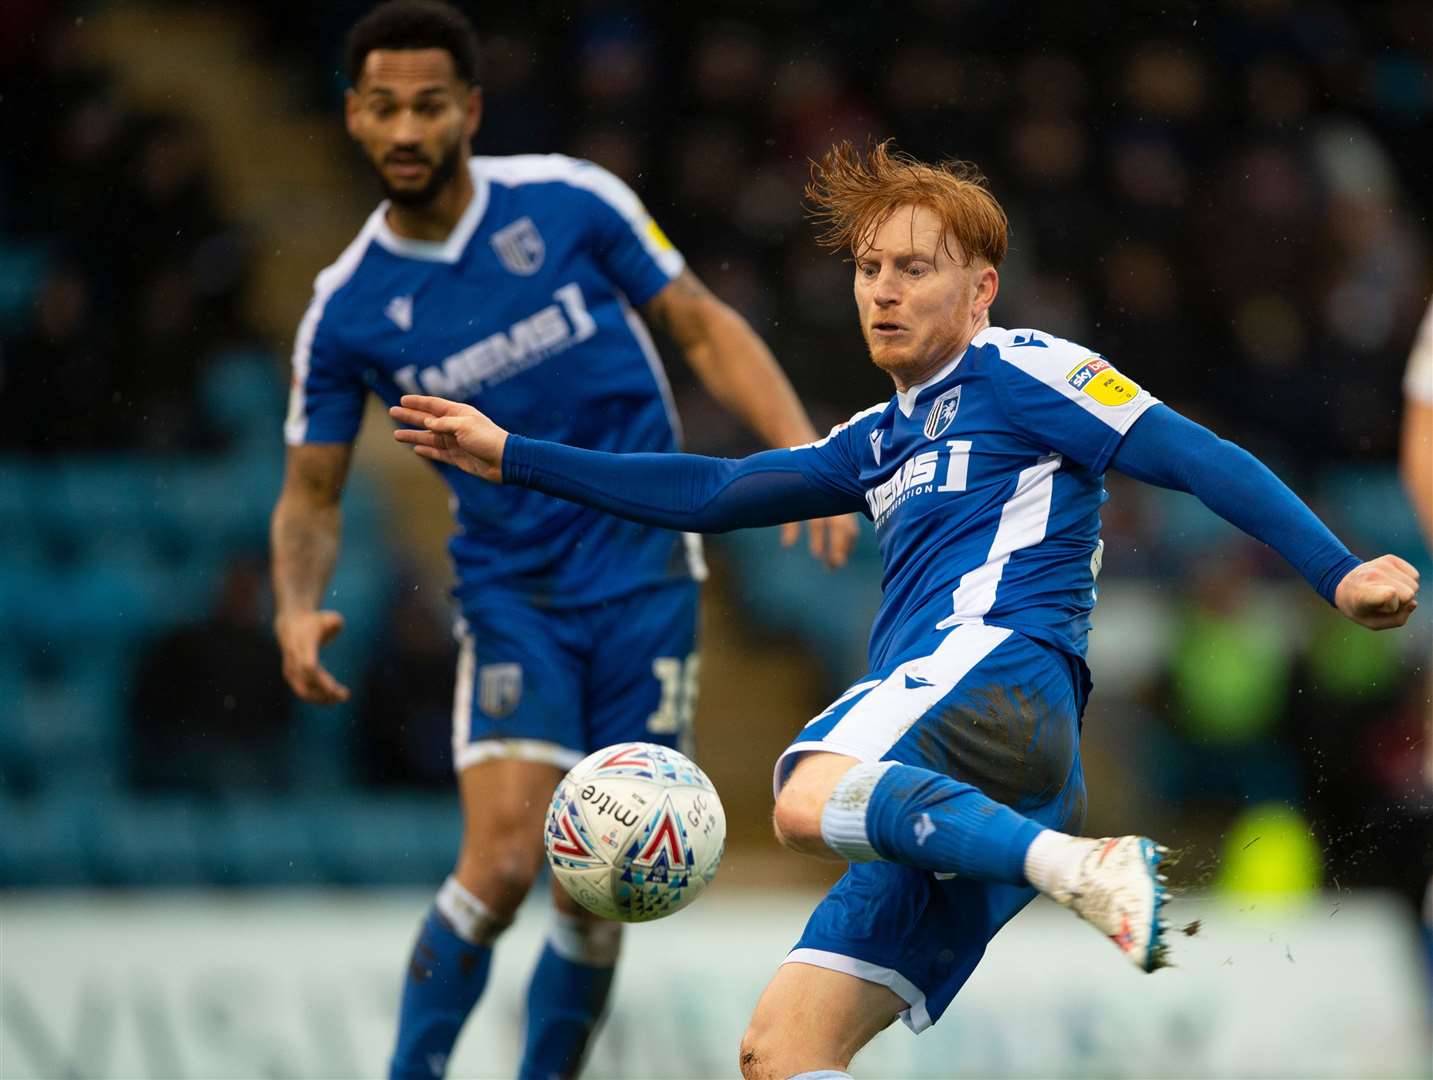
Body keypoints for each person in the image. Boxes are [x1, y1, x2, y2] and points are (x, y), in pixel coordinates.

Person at [391, 140, 1421, 1080]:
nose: (880, 292)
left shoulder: (1019, 368)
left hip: (1000, 676)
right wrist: (510, 455)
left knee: (802, 789)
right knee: (781, 1051)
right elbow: (709, 492)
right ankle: (1059, 860)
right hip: (966, 791)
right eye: (867, 270)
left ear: (979, 290)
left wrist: (1333, 572)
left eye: (911, 269)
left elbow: (1196, 453)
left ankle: (1082, 867)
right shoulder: (875, 437)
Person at [268, 3, 856, 1078]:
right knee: (497, 865)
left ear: (469, 111)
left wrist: (798, 458)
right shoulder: (345, 309)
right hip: (514, 595)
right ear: (354, 118)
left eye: (430, 105)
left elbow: (700, 325)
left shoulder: (570, 202)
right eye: (385, 107)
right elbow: (312, 489)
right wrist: (297, 604)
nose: (407, 129)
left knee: (605, 886)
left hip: (643, 577)